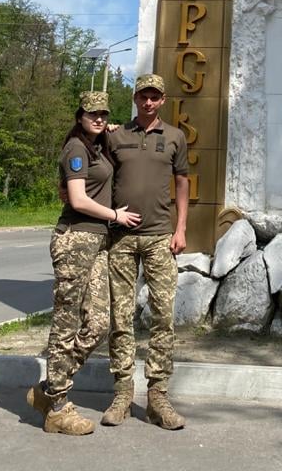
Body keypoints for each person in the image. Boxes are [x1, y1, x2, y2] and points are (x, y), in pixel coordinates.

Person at [27, 90, 140, 435]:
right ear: (80, 116)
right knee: (66, 321)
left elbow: (108, 134)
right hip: (75, 239)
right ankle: (58, 408)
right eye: (93, 114)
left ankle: (49, 389)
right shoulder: (76, 148)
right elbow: (77, 198)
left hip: (97, 243)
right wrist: (115, 215)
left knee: (98, 325)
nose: (99, 118)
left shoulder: (96, 145)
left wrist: (110, 129)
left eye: (104, 114)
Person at [100, 73, 189, 431]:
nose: (148, 102)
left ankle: (158, 397)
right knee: (120, 319)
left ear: (163, 100)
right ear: (135, 98)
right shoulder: (116, 136)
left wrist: (181, 227)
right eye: (142, 96)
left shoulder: (175, 137)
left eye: (154, 97)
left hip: (159, 238)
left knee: (163, 317)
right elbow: (96, 173)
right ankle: (122, 394)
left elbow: (182, 181)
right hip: (120, 239)